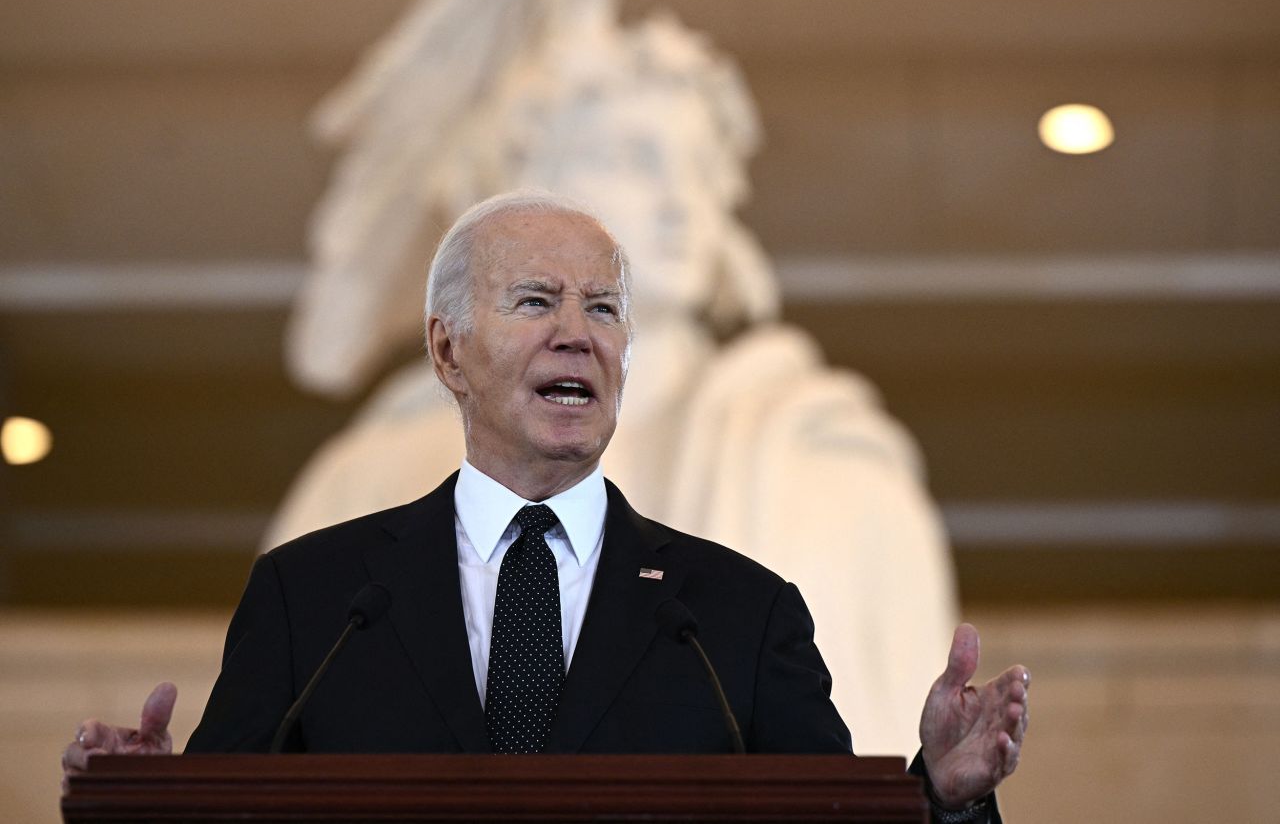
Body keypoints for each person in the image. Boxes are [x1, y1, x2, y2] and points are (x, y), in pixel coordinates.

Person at [62, 193, 1029, 820]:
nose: (578, 336)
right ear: (448, 353)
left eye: (603, 310)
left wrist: (941, 798)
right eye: (535, 303)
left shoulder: (738, 614)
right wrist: (145, 805)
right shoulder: (312, 601)